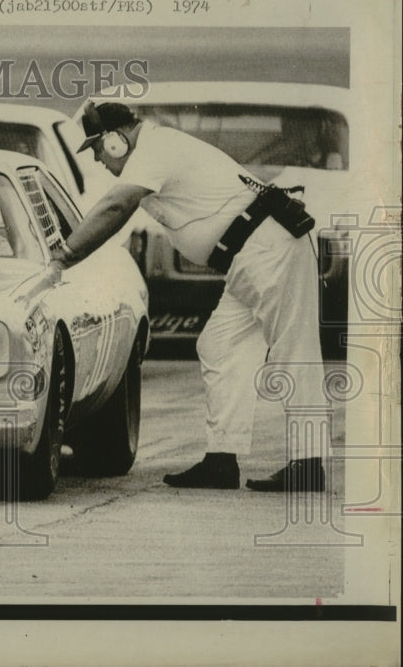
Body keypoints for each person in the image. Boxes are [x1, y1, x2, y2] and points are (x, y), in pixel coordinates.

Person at [57, 100, 327, 491]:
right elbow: (110, 211)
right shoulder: (151, 153)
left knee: (293, 349)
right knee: (219, 346)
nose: (99, 159)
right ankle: (221, 461)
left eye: (98, 148)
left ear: (116, 140)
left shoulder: (154, 150)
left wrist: (66, 254)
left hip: (269, 249)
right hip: (251, 254)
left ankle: (308, 463)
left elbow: (116, 206)